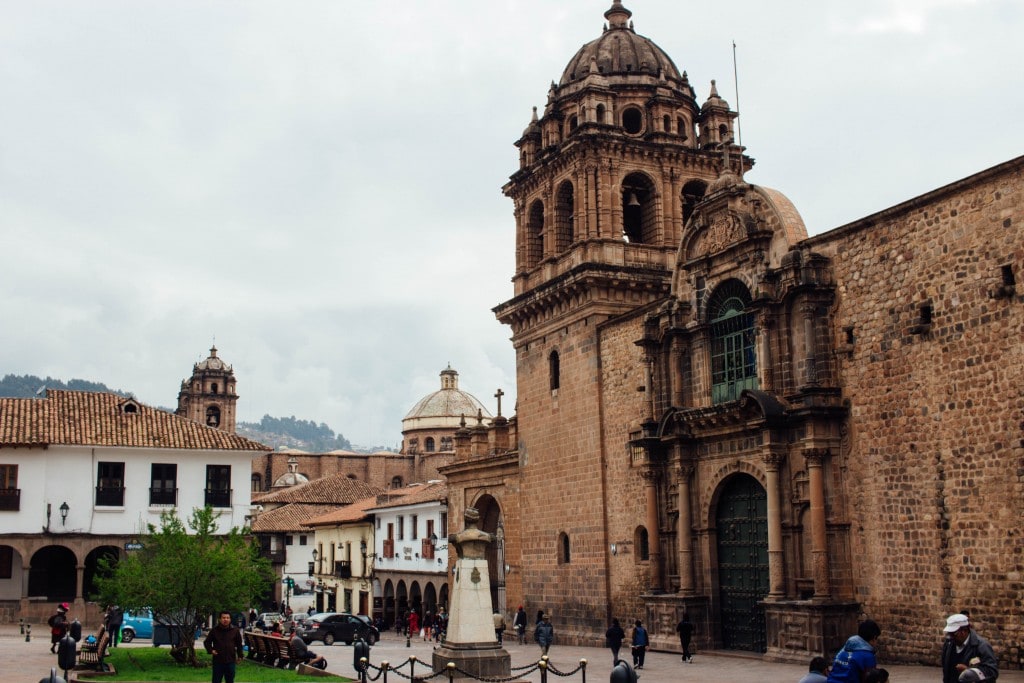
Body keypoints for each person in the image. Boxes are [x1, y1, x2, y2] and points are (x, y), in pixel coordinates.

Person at [941, 613, 998, 683]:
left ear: (964, 631)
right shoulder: (948, 644)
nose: (951, 637)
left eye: (953, 634)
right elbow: (946, 672)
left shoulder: (982, 646)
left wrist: (969, 671)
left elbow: (992, 672)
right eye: (949, 634)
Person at [203, 610, 244, 683]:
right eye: (223, 618)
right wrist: (211, 650)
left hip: (230, 660)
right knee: (216, 680)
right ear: (220, 619)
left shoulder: (235, 630)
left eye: (228, 618)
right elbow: (207, 642)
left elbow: (239, 644)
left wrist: (240, 656)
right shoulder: (214, 630)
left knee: (230, 680)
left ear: (230, 619)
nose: (226, 619)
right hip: (218, 660)